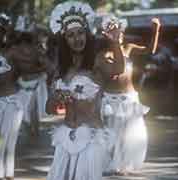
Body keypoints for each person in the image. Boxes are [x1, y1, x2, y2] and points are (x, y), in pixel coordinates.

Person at [46, 2, 115, 180]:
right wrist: (57, 98)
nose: (77, 39)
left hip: (92, 136)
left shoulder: (97, 62)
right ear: (64, 40)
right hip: (66, 135)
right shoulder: (60, 70)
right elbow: (49, 109)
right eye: (71, 35)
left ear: (87, 34)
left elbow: (119, 69)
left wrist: (114, 42)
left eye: (80, 33)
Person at [92, 15, 161, 176]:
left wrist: (156, 30)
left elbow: (150, 50)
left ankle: (122, 164)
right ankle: (110, 163)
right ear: (107, 35)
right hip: (110, 98)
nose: (119, 35)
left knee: (128, 134)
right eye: (114, 32)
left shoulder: (128, 48)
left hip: (129, 97)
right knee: (111, 133)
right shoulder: (101, 55)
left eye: (120, 32)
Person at [0, 13, 24, 180]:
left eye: (0, 31)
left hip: (11, 102)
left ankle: (7, 173)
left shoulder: (12, 52)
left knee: (8, 140)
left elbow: (33, 63)